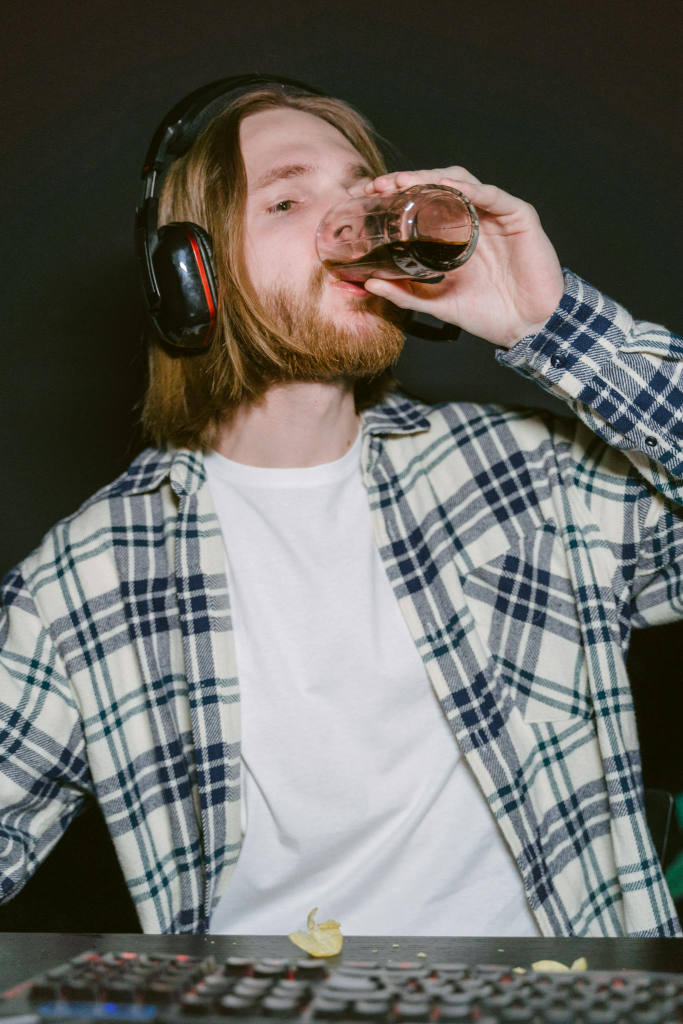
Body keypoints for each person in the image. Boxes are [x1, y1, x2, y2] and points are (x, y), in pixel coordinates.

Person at [1, 85, 682, 939]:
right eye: (289, 198)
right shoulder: (87, 576)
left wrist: (550, 322)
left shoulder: (527, 472)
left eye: (360, 190)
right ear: (190, 272)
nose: (349, 221)